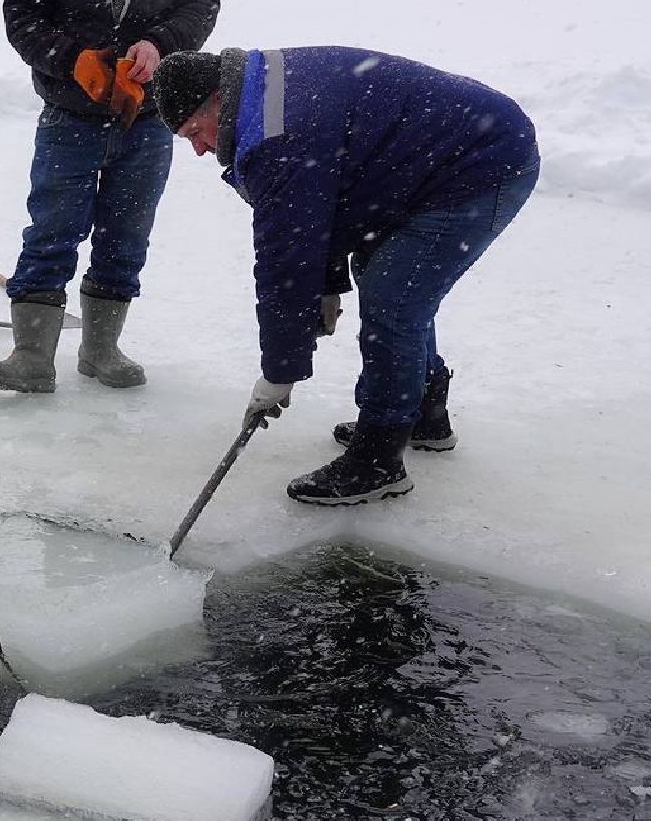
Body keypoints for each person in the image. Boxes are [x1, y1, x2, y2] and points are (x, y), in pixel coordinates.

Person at [151, 47, 540, 506]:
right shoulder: (261, 97)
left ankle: (379, 460)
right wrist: (330, 282)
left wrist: (280, 371)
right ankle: (422, 412)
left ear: (216, 99)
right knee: (384, 276)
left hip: (480, 162)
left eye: (195, 132)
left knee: (394, 297)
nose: (198, 149)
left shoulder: (275, 136)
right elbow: (331, 202)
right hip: (424, 160)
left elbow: (286, 259)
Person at [0, 0, 219, 394]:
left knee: (126, 234)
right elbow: (20, 17)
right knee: (51, 231)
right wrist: (69, 58)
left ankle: (101, 349)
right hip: (70, 117)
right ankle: (31, 356)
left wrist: (160, 44)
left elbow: (201, 9)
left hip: (148, 119)